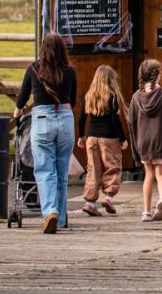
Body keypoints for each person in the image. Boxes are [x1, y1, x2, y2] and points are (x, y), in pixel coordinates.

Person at [13, 32, 78, 234]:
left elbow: (22, 99)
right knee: (61, 171)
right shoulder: (70, 71)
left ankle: (50, 212)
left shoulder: (34, 69)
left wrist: (17, 113)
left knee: (44, 170)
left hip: (41, 120)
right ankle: (60, 217)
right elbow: (73, 100)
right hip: (66, 119)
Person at [77, 64, 131, 218]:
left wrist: (81, 136)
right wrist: (122, 138)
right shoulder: (112, 96)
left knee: (93, 170)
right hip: (109, 138)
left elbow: (81, 119)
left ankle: (90, 204)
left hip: (92, 137)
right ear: (110, 80)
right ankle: (108, 198)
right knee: (112, 167)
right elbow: (115, 121)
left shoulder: (89, 95)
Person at [127, 58, 162, 223]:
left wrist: (136, 146)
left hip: (143, 142)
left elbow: (131, 122)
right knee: (160, 174)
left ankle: (146, 212)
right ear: (158, 75)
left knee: (148, 175)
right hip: (160, 140)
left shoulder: (135, 97)